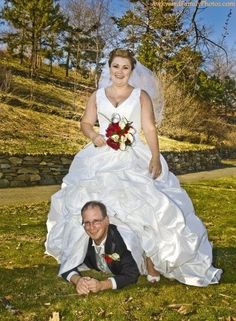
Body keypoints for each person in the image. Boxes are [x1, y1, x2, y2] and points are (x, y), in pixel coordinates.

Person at [45, 48, 222, 287]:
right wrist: (94, 136)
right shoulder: (97, 96)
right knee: (98, 198)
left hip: (134, 155)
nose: (120, 71)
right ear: (109, 68)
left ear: (131, 71)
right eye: (116, 66)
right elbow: (85, 122)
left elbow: (149, 128)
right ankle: (106, 253)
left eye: (125, 67)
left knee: (145, 204)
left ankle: (150, 259)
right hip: (102, 155)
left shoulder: (141, 96)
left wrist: (156, 157)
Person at [61, 201, 140, 294]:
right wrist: (78, 280)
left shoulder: (121, 242)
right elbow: (67, 263)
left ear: (106, 220)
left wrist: (102, 285)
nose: (91, 227)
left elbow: (131, 274)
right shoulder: (83, 241)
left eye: (96, 221)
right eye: (87, 223)